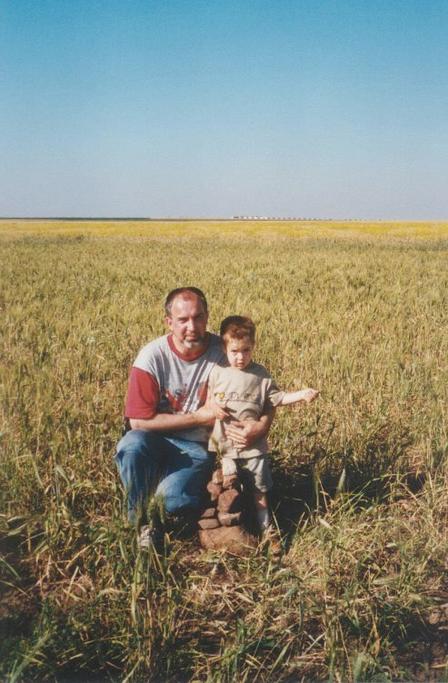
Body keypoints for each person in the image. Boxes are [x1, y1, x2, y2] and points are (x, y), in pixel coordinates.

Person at [115, 288, 274, 549]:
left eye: (198, 317)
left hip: (195, 449)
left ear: (207, 316)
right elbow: (138, 422)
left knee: (173, 503)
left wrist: (261, 426)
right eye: (182, 320)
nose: (192, 327)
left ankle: (168, 494)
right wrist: (200, 417)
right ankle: (139, 524)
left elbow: (265, 393)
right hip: (151, 440)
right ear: (168, 322)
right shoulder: (151, 358)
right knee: (131, 445)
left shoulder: (224, 352)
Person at [207, 315, 319, 538]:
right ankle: (231, 521)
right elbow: (209, 399)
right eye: (235, 351)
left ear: (253, 346)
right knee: (229, 482)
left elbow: (277, 399)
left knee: (259, 488)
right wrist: (214, 406)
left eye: (246, 351)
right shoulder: (218, 372)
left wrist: (302, 395)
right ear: (224, 347)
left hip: (254, 446)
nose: (240, 357)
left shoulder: (261, 375)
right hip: (226, 443)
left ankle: (265, 526)